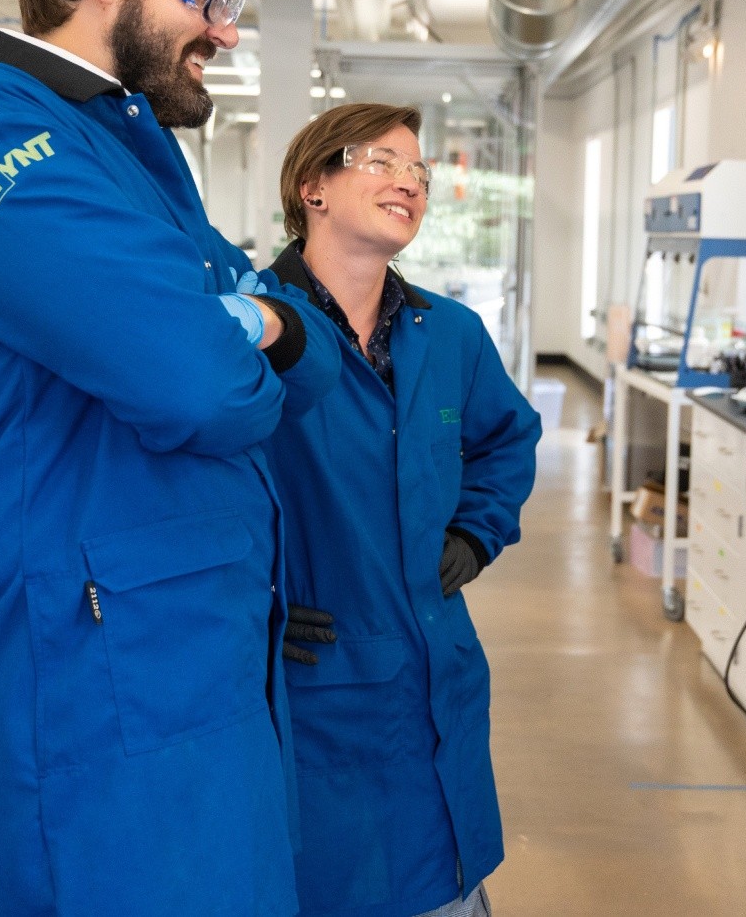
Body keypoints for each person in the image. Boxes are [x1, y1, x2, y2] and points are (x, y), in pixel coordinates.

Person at [0, 0, 340, 916]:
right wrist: (249, 331)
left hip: (184, 648)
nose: (224, 28)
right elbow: (202, 383)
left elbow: (300, 355)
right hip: (81, 674)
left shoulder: (128, 147)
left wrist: (262, 325)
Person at [263, 103, 541, 917]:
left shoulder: (447, 334)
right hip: (309, 673)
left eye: (418, 172)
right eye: (381, 161)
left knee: (441, 880)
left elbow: (509, 438)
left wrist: (477, 531)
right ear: (313, 186)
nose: (409, 183)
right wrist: (261, 608)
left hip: (435, 660)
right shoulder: (260, 327)